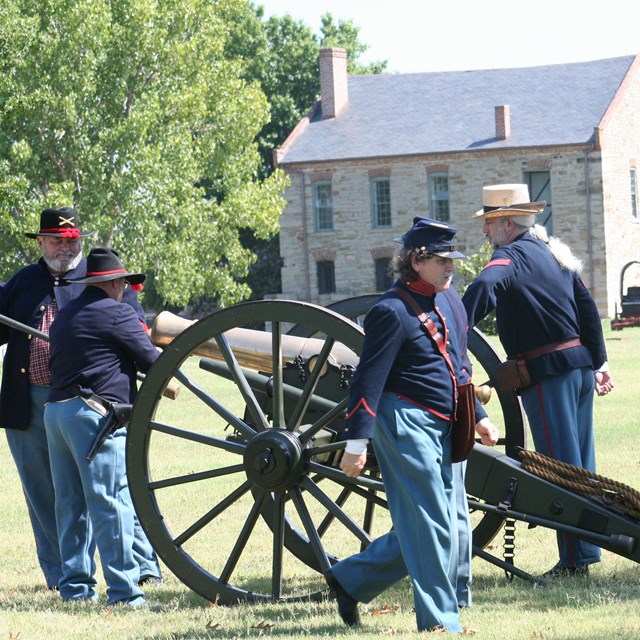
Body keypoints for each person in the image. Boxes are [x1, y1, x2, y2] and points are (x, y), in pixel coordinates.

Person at [324, 217, 488, 634]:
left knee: (443, 521)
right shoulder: (390, 311)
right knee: (431, 523)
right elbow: (368, 379)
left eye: (453, 259)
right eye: (442, 260)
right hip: (405, 421)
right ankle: (440, 624)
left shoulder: (450, 300)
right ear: (417, 261)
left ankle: (350, 579)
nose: (451, 267)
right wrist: (357, 442)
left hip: (451, 420)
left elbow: (460, 361)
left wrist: (481, 418)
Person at [0, 207, 161, 590]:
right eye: (56, 240)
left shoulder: (101, 279)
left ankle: (142, 566)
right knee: (45, 495)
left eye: (71, 240)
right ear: (40, 243)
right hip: (31, 402)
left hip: (93, 402)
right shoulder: (22, 283)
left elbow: (135, 328)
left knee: (114, 485)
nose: (64, 247)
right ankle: (61, 575)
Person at [462, 184, 614, 579]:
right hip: (578, 369)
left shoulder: (508, 256)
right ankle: (586, 551)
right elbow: (587, 307)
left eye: (490, 223)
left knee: (560, 469)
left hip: (549, 376)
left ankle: (575, 560)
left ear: (507, 223)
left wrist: (452, 325)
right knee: (582, 466)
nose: (486, 232)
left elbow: (482, 287)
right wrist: (600, 362)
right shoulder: (553, 252)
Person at [44, 247, 159, 606]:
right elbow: (153, 360)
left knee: (70, 506)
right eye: (123, 283)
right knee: (111, 503)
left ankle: (76, 589)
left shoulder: (64, 316)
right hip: (94, 415)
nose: (125, 289)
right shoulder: (116, 313)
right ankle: (125, 592)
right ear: (115, 283)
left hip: (57, 414)